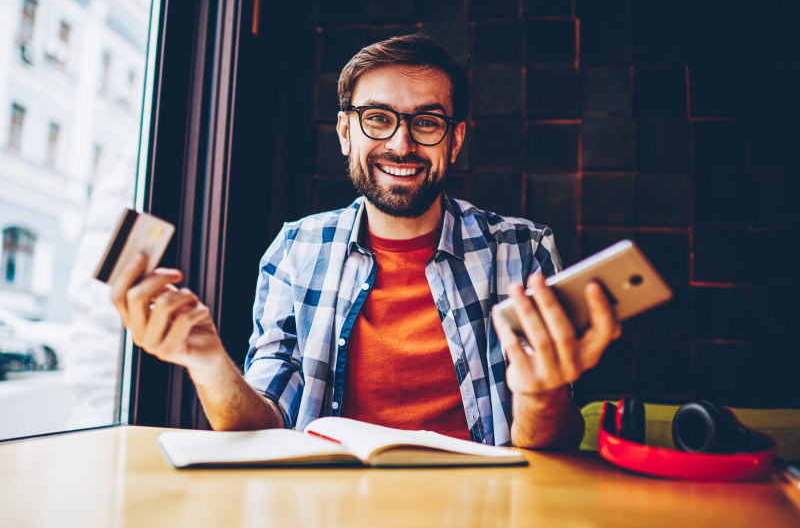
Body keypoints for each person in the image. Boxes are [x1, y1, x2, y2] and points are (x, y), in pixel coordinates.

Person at [109, 36, 620, 448]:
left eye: (427, 122)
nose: (401, 143)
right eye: (378, 118)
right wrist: (206, 360)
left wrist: (543, 393)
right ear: (346, 132)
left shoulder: (524, 250)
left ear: (455, 139)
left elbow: (552, 442)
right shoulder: (295, 250)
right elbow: (261, 427)